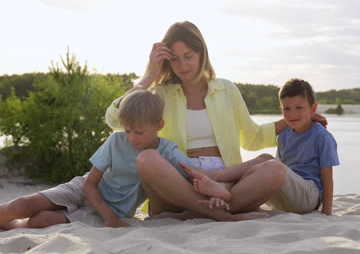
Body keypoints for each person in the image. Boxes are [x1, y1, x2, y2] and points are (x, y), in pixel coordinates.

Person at [105, 21, 326, 215]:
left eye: (189, 56)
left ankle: (200, 210)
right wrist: (150, 75)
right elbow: (115, 120)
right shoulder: (160, 94)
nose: (183, 66)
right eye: (175, 59)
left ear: (202, 54)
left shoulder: (226, 90)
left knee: (274, 167)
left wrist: (297, 118)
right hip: (178, 179)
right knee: (148, 159)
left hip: (224, 182)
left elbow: (253, 138)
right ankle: (215, 210)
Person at [0, 90, 246, 230]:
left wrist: (216, 192)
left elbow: (198, 175)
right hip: (84, 189)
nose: (131, 138)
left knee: (41, 221)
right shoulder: (116, 141)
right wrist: (108, 218)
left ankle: (13, 228)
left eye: (138, 132)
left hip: (115, 209)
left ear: (159, 125)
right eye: (127, 130)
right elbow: (89, 184)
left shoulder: (167, 152)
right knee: (24, 203)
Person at [181, 78, 339, 215]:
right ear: (281, 109)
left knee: (274, 165)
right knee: (266, 158)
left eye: (299, 108)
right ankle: (220, 182)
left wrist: (326, 213)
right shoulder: (284, 134)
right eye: (287, 109)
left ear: (313, 109)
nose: (292, 114)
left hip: (308, 196)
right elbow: (278, 170)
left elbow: (327, 179)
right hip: (285, 196)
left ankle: (221, 184)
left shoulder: (322, 137)